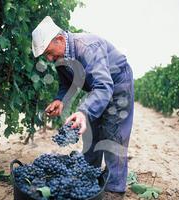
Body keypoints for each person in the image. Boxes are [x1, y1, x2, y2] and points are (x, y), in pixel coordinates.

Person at [32, 16, 134, 196]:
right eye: (45, 56)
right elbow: (66, 84)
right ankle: (90, 177)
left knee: (112, 135)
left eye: (49, 52)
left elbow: (104, 85)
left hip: (118, 85)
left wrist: (84, 111)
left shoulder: (87, 47)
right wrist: (60, 100)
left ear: (60, 39)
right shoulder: (60, 56)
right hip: (97, 89)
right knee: (91, 133)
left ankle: (114, 189)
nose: (49, 58)